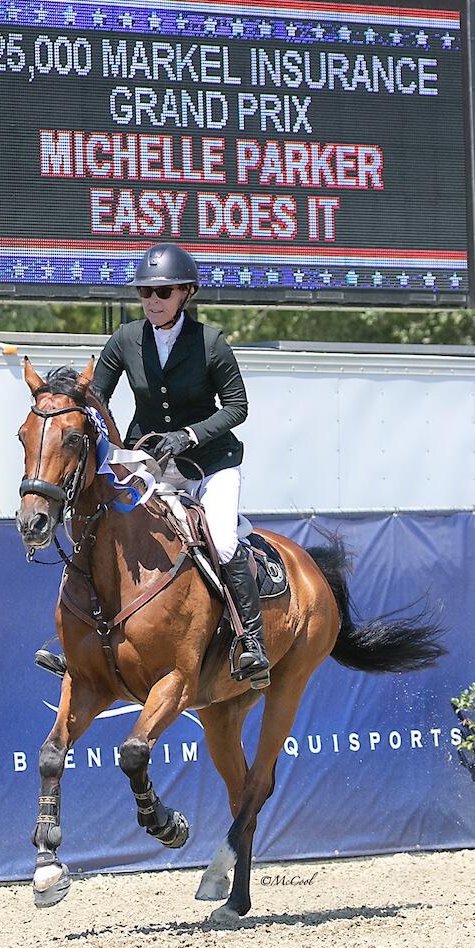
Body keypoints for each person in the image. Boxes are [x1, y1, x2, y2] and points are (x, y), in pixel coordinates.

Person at [90, 242, 270, 685]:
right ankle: (81, 637)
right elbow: (97, 399)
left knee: (223, 542)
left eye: (164, 292)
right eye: (146, 293)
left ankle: (251, 641)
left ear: (187, 292)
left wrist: (188, 435)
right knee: (102, 530)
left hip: (210, 463)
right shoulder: (125, 339)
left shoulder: (211, 343)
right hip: (147, 460)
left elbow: (236, 408)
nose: (153, 301)